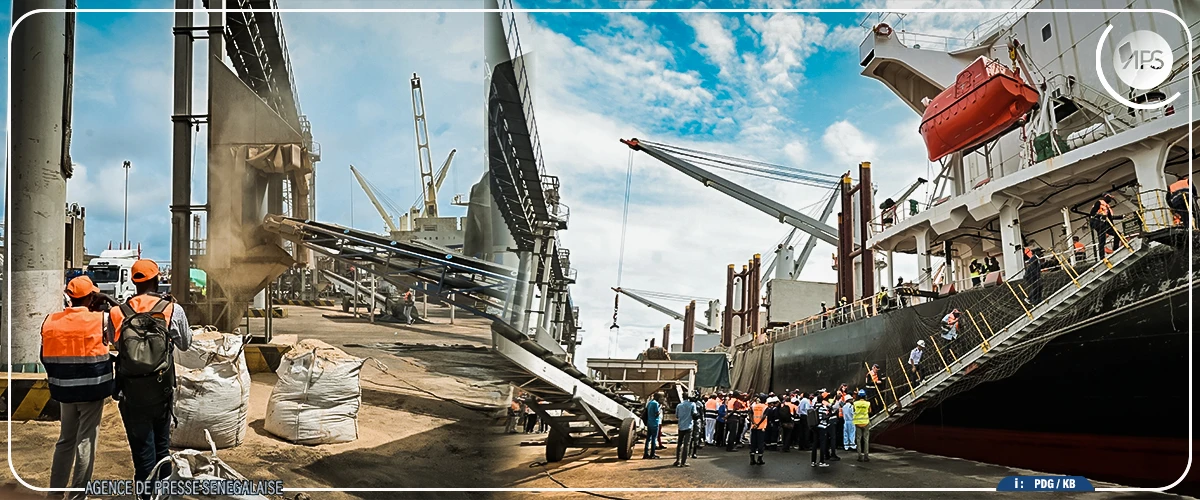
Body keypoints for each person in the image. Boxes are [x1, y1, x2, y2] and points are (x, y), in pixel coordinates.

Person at [109, 260, 192, 490]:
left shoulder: (117, 312)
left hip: (131, 392)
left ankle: (146, 494)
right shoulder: (171, 309)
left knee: (142, 453)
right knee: (162, 449)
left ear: (133, 281)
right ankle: (164, 494)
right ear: (157, 280)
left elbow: (116, 344)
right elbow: (185, 343)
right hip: (161, 390)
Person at [43, 276, 113, 500]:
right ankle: (77, 496)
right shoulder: (101, 320)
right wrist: (108, 300)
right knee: (86, 442)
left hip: (64, 390)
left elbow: (44, 354)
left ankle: (54, 495)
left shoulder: (51, 320)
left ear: (69, 297)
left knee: (66, 440)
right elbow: (129, 321)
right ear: (92, 296)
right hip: (92, 390)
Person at [1089, 193, 1123, 260]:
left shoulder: (1107, 207)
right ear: (1105, 197)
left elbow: (1110, 218)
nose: (1110, 199)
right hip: (1096, 222)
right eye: (1109, 197)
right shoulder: (1099, 203)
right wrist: (1100, 216)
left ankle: (1115, 249)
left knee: (1117, 234)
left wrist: (1121, 217)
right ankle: (1102, 257)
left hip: (1104, 223)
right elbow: (1092, 213)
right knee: (1102, 239)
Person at [674, 395, 697, 467]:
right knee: (686, 444)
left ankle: (678, 460)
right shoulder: (692, 404)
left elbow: (677, 416)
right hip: (689, 426)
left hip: (681, 426)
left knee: (679, 443)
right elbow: (695, 414)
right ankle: (683, 462)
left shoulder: (679, 405)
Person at [810, 395, 832, 467]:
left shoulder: (814, 407)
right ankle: (821, 461)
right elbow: (825, 416)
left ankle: (813, 461)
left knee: (815, 444)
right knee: (822, 444)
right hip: (822, 426)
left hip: (815, 427)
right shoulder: (823, 408)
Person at [748, 395, 768, 465]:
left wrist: (754, 423)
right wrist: (758, 424)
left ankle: (752, 459)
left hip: (753, 427)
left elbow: (750, 415)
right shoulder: (765, 407)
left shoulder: (754, 406)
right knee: (760, 443)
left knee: (753, 442)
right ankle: (759, 459)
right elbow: (764, 416)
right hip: (761, 427)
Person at [853, 390, 872, 462]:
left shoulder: (855, 403)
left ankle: (859, 456)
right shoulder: (868, 403)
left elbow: (854, 410)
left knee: (858, 439)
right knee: (866, 439)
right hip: (865, 422)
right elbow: (870, 411)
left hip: (857, 422)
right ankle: (866, 456)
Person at [643, 392, 663, 459]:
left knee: (648, 439)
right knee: (654, 439)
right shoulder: (656, 403)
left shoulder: (650, 402)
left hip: (649, 422)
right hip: (655, 422)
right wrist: (660, 408)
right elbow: (656, 414)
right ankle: (652, 454)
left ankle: (646, 453)